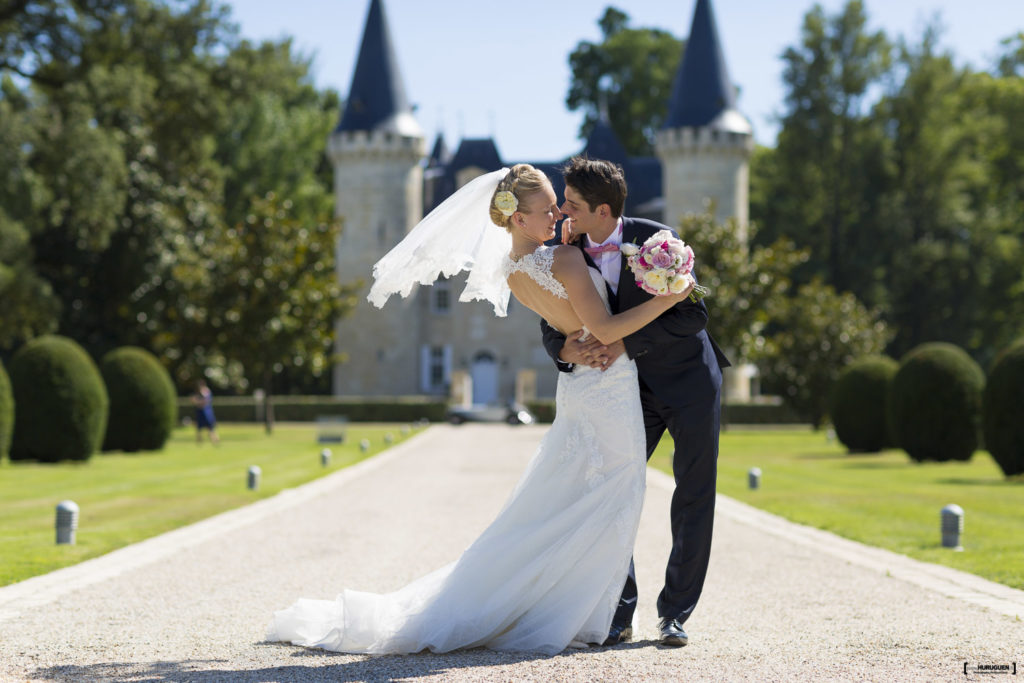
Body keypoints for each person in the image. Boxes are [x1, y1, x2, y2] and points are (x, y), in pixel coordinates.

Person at [265, 164, 693, 655]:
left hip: (581, 388)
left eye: (558, 204)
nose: (557, 213)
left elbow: (572, 328)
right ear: (516, 219)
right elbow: (607, 329)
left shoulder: (514, 271)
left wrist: (572, 343)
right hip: (608, 388)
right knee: (607, 497)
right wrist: (669, 296)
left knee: (573, 502)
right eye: (548, 207)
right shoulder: (566, 262)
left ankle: (577, 609)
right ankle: (578, 612)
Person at [541, 156, 730, 648]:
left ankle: (675, 613)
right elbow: (551, 315)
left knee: (693, 495)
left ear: (604, 210)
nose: (563, 210)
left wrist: (623, 342)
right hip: (628, 392)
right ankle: (620, 613)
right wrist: (562, 349)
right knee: (608, 492)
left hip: (690, 384)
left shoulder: (657, 242)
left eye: (573, 204)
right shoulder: (566, 248)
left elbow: (694, 318)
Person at [191, 379, 219, 445]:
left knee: (210, 428)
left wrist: (198, 401)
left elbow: (205, 401)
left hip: (206, 412)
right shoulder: (198, 392)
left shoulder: (206, 391)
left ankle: (215, 441)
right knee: (199, 428)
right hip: (200, 412)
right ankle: (199, 442)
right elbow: (193, 400)